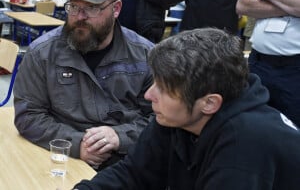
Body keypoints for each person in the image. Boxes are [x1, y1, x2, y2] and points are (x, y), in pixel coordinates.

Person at [73, 28, 300, 190]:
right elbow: (133, 174)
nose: (148, 94)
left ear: (210, 103)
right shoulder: (177, 117)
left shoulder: (247, 145)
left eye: (164, 89)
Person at [13, 0, 154, 170]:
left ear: (116, 9)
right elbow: (28, 115)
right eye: (73, 6)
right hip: (63, 157)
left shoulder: (146, 55)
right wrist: (77, 144)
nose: (80, 16)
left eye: (92, 8)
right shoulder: (42, 53)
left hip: (127, 158)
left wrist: (120, 136)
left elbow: (161, 117)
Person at [236, 0, 300, 127]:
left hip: (295, 69)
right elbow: (243, 4)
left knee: (291, 133)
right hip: (259, 62)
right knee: (251, 125)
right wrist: (293, 7)